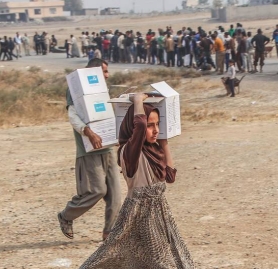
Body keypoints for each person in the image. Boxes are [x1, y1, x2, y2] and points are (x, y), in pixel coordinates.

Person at [78, 93, 194, 268]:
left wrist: (164, 142)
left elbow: (170, 177)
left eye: (157, 125)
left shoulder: (154, 151)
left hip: (160, 213)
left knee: (162, 258)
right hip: (139, 214)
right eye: (150, 126)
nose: (155, 130)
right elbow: (138, 125)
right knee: (154, 261)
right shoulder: (130, 153)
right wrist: (138, 100)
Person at [58, 58, 122, 242]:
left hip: (107, 149)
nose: (107, 75)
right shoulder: (74, 88)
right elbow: (73, 115)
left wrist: (115, 135)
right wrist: (88, 132)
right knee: (97, 190)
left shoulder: (101, 90)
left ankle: (109, 234)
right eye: (104, 71)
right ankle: (66, 216)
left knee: (116, 196)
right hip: (89, 151)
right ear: (93, 71)